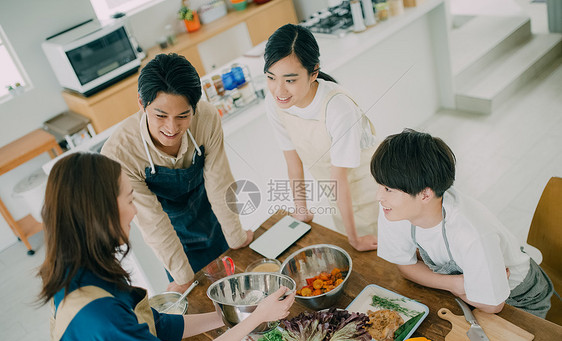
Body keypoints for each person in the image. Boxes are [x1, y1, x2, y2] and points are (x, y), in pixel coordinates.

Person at [37, 152, 295, 341]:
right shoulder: (96, 316)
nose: (135, 210)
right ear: (99, 212)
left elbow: (156, 326)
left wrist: (233, 314)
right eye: (129, 200)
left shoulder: (83, 273)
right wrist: (257, 317)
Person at [102, 53, 252, 293]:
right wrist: (182, 277)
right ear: (142, 103)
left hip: (210, 216)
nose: (172, 128)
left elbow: (219, 182)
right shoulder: (120, 152)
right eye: (160, 116)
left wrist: (236, 237)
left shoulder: (207, 118)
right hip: (171, 236)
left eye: (183, 116)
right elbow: (152, 221)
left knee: (238, 287)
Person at [371, 129, 553, 317]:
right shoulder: (392, 209)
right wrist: (457, 284)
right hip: (468, 295)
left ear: (425, 194)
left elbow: (492, 306)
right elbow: (405, 267)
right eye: (379, 185)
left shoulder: (471, 233)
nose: (378, 196)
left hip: (519, 299)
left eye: (387, 189)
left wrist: (444, 280)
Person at [263, 24, 380, 251]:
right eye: (271, 77)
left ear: (313, 72)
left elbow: (340, 177)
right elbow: (293, 162)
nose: (279, 90)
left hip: (371, 190)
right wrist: (301, 209)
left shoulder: (338, 108)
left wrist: (354, 237)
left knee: (390, 262)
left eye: (290, 80)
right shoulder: (275, 103)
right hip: (338, 195)